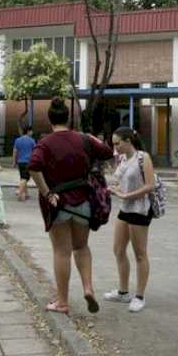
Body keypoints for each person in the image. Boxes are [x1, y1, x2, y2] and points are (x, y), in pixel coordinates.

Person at [28, 98, 114, 315]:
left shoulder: (45, 143)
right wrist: (90, 137)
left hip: (58, 204)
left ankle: (62, 302)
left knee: (62, 252)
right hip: (83, 201)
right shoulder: (83, 139)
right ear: (69, 118)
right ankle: (88, 288)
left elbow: (33, 167)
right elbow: (107, 152)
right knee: (81, 247)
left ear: (50, 120)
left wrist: (47, 193)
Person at [104, 127, 155, 313]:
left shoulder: (143, 157)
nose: (115, 147)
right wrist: (114, 188)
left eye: (118, 143)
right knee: (118, 250)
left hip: (140, 209)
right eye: (113, 144)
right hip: (125, 209)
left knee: (140, 253)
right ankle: (123, 291)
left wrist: (127, 195)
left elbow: (150, 186)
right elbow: (118, 180)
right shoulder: (123, 159)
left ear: (128, 140)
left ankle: (139, 296)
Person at [12, 126, 36, 201]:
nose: (32, 133)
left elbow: (15, 151)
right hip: (28, 161)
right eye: (31, 131)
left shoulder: (17, 140)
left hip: (20, 162)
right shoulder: (32, 141)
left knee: (23, 177)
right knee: (25, 178)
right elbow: (35, 152)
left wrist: (14, 162)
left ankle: (26, 194)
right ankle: (20, 194)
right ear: (28, 131)